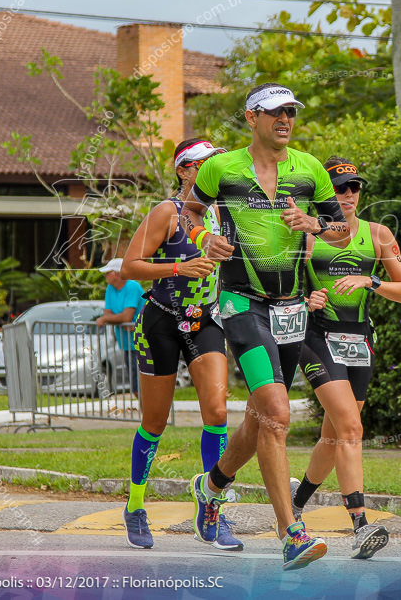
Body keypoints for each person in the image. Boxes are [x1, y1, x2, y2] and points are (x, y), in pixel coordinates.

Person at [183, 83, 348, 571]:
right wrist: (204, 236)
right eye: (275, 112)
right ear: (252, 117)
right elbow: (189, 210)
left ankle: (210, 487)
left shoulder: (310, 169)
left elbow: (341, 229)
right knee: (277, 410)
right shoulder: (221, 167)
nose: (285, 120)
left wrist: (315, 226)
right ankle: (291, 533)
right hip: (241, 304)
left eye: (291, 112)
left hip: (292, 308)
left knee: (261, 416)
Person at [117, 139, 238, 551]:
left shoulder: (225, 214)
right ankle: (135, 506)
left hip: (204, 321)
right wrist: (178, 266)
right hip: (161, 322)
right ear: (185, 171)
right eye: (206, 164)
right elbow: (129, 266)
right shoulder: (167, 212)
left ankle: (210, 510)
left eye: (218, 164)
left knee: (218, 411)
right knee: (154, 421)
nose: (215, 170)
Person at [291, 157, 401, 559]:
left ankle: (296, 501)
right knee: (350, 428)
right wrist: (307, 298)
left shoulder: (378, 235)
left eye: (353, 188)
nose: (347, 195)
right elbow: (281, 292)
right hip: (316, 335)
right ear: (325, 193)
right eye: (339, 188)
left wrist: (372, 280)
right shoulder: (306, 236)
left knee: (334, 435)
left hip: (358, 339)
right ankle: (360, 526)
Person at [96, 258, 145, 397]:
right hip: (126, 344)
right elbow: (110, 313)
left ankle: (150, 414)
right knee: (135, 385)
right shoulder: (110, 288)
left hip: (142, 342)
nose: (105, 276)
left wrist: (107, 319)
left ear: (117, 273)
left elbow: (125, 317)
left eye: (108, 273)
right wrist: (116, 319)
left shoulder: (132, 286)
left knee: (141, 384)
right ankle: (146, 414)